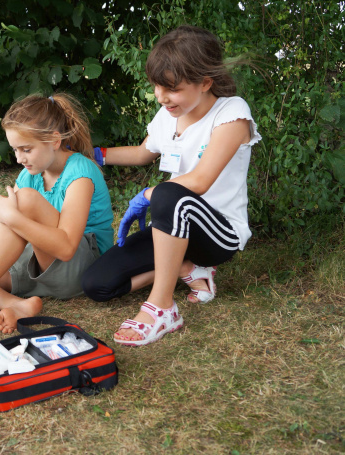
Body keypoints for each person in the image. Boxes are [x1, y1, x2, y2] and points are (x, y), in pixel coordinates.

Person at [81, 25, 262, 346]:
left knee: (168, 192)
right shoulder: (169, 114)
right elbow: (142, 153)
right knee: (97, 284)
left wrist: (151, 193)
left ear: (205, 82)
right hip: (171, 225)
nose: (162, 97)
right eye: (157, 87)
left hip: (218, 233)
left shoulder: (232, 112)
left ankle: (162, 307)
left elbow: (201, 181)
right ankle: (187, 269)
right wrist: (95, 155)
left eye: (172, 89)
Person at [0, 93, 114, 333]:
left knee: (26, 200)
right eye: (15, 150)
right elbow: (11, 236)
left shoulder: (81, 171)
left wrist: (12, 216)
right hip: (38, 260)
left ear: (54, 140)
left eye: (26, 149)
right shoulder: (30, 174)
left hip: (80, 266)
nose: (19, 158)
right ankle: (18, 304)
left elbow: (66, 248)